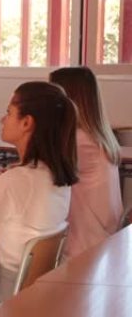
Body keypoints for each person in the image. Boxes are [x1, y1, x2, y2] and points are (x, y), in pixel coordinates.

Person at [0, 81, 78, 302]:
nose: (2, 119)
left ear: (26, 122)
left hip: (2, 288)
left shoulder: (16, 181)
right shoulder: (58, 178)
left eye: (8, 113)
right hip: (36, 292)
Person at [49, 67, 122, 260]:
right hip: (102, 238)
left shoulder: (79, 141)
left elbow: (41, 174)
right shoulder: (97, 137)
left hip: (84, 246)